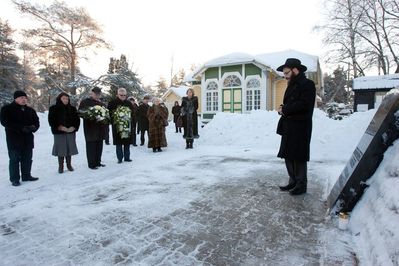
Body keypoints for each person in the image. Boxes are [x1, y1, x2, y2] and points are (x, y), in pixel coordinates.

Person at [276, 58, 316, 195]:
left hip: (300, 126)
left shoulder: (308, 84)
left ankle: (301, 184)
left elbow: (304, 105)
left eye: (286, 72)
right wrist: (283, 108)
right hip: (289, 125)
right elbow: (291, 103)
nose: (285, 76)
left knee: (298, 156)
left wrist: (285, 109)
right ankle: (292, 181)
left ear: (295, 70)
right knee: (288, 154)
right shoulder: (291, 84)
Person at [1, 91, 40, 186]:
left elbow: (36, 122)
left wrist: (33, 128)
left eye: (25, 98)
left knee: (27, 158)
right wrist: (21, 128)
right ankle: (14, 179)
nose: (24, 99)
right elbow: (5, 122)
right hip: (14, 139)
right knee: (14, 159)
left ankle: (26, 175)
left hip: (28, 138)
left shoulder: (30, 110)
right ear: (16, 98)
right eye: (21, 97)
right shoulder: (7, 109)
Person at [48, 92, 80, 173]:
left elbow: (77, 119)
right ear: (59, 99)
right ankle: (60, 166)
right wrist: (60, 127)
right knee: (61, 149)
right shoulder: (53, 108)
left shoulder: (72, 108)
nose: (66, 100)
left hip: (70, 132)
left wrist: (74, 127)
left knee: (69, 148)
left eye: (67, 99)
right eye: (64, 98)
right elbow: (51, 120)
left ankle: (69, 165)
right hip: (59, 132)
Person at [79, 87, 108, 170]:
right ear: (91, 93)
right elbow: (80, 112)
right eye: (95, 93)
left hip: (100, 128)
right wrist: (90, 115)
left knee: (99, 145)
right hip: (90, 128)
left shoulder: (102, 103)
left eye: (98, 93)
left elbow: (105, 114)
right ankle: (91, 164)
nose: (97, 95)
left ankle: (98, 162)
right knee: (91, 146)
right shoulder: (85, 102)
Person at [108, 88, 135, 163]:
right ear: (117, 94)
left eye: (124, 95)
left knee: (127, 142)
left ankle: (127, 157)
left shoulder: (129, 103)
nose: (123, 96)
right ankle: (120, 158)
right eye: (121, 95)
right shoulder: (112, 103)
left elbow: (132, 114)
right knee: (118, 143)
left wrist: (132, 123)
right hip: (117, 126)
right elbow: (109, 114)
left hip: (127, 125)